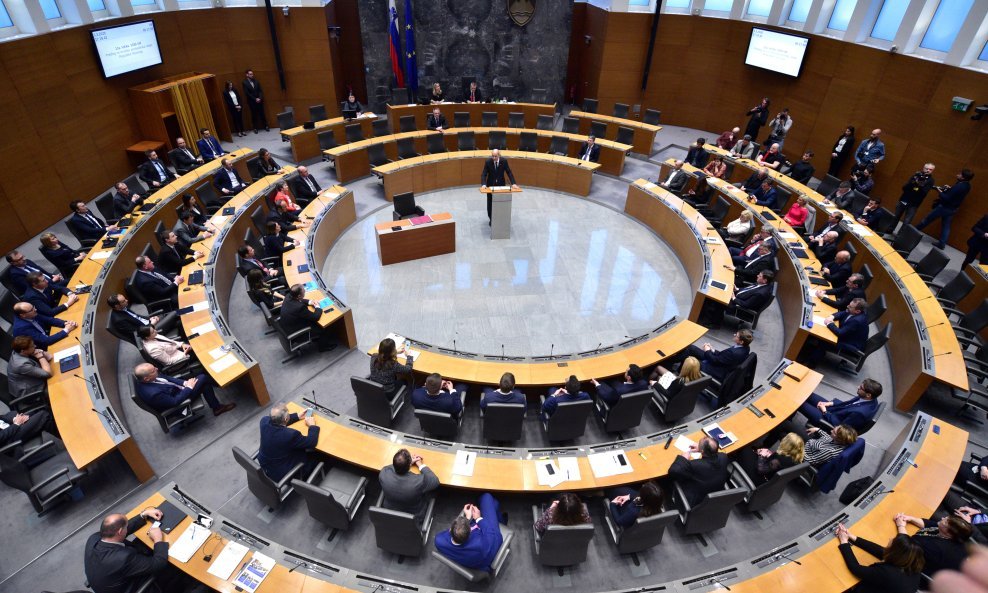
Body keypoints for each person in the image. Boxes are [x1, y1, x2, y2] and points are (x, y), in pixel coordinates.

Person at [84, 507, 174, 593]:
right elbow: (158, 563)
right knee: (172, 567)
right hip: (131, 586)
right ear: (120, 531)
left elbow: (117, 531)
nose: (127, 528)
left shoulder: (94, 538)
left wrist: (143, 515)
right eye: (126, 527)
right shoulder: (123, 558)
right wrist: (158, 539)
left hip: (110, 579)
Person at [835, 524, 924, 593]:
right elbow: (881, 551)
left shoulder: (887, 573)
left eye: (893, 540)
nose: (890, 539)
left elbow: (856, 568)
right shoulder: (911, 562)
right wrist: (852, 537)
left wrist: (844, 542)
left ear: (895, 552)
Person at [434, 493, 505, 571]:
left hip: (470, 560)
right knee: (486, 497)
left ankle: (500, 516)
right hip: (490, 550)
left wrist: (467, 518)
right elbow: (491, 534)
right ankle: (502, 520)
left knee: (495, 504)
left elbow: (447, 535)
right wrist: (478, 518)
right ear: (470, 531)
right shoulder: (480, 546)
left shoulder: (439, 541)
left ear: (450, 530)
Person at [133, 363, 235, 417]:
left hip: (178, 390)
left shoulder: (150, 376)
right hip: (179, 404)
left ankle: (217, 408)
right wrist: (189, 387)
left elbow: (168, 378)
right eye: (153, 370)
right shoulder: (153, 394)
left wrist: (185, 383)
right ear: (146, 379)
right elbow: (174, 402)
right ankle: (223, 383)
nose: (157, 369)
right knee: (203, 377)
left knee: (205, 384)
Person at [894, 513, 972, 575]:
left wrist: (901, 526)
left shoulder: (936, 548)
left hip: (912, 566)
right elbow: (930, 524)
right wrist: (909, 518)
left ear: (949, 533)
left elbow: (907, 546)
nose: (942, 518)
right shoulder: (949, 534)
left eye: (945, 522)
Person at [257, 403, 319, 481]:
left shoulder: (264, 421)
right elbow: (311, 442)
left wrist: (297, 416)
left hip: (266, 466)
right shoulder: (290, 435)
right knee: (318, 454)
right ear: (286, 419)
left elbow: (275, 421)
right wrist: (312, 426)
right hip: (283, 474)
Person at [916, 169, 975, 249]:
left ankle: (912, 231)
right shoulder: (967, 185)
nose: (957, 175)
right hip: (952, 209)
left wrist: (939, 191)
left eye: (960, 174)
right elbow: (956, 194)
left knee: (926, 220)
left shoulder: (959, 186)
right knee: (946, 227)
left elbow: (946, 198)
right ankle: (942, 244)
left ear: (963, 177)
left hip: (944, 208)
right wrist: (950, 188)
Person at [379, 448, 440, 525]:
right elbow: (435, 481)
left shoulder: (384, 473)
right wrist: (420, 464)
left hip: (389, 513)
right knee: (432, 493)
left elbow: (392, 466)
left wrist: (404, 462)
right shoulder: (418, 481)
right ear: (409, 466)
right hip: (413, 517)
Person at [805, 298, 869, 367]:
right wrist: (832, 317)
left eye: (850, 306)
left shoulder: (856, 321)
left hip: (850, 346)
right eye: (849, 305)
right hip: (847, 337)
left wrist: (829, 323)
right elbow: (842, 313)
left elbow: (840, 333)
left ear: (857, 311)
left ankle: (811, 364)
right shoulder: (854, 312)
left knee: (824, 341)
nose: (847, 306)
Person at [799, 378, 882, 431]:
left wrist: (824, 411)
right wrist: (830, 403)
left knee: (799, 403)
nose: (858, 387)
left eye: (861, 388)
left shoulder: (860, 414)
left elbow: (840, 426)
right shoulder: (870, 399)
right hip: (837, 411)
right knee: (808, 394)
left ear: (868, 395)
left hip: (829, 420)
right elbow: (848, 404)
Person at [668, 436, 730, 506]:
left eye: (699, 444)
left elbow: (674, 471)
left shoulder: (694, 465)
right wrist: (701, 449)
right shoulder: (724, 456)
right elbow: (716, 454)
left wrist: (683, 458)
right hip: (716, 494)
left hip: (697, 500)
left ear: (702, 451)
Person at [279, 284, 337, 351]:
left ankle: (318, 339)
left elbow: (300, 300)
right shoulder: (299, 307)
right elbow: (315, 317)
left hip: (288, 326)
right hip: (297, 332)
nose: (305, 292)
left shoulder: (289, 296)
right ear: (299, 296)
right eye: (304, 291)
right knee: (324, 325)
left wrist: (310, 302)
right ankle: (323, 347)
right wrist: (318, 307)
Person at [736, 432, 804, 484]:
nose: (783, 439)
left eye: (785, 439)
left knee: (744, 448)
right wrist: (769, 456)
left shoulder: (779, 458)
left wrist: (762, 456)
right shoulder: (795, 459)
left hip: (759, 478)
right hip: (770, 480)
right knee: (751, 451)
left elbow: (760, 470)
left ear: (787, 444)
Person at [107, 293, 180, 337]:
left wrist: (150, 318)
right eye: (123, 301)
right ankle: (187, 310)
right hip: (149, 331)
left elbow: (137, 317)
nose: (127, 300)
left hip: (148, 323)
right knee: (174, 313)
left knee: (175, 319)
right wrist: (151, 324)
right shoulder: (119, 320)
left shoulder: (122, 308)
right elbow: (137, 333)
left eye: (125, 299)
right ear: (117, 306)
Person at [11, 302, 76, 350]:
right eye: (31, 310)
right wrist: (66, 330)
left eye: (33, 307)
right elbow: (46, 341)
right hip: (42, 348)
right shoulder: (22, 328)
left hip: (46, 337)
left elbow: (48, 320)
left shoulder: (30, 314)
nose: (35, 309)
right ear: (23, 315)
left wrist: (65, 323)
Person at [480, 149, 518, 225]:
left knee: (500, 202)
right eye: (492, 156)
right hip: (491, 186)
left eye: (495, 156)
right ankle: (491, 219)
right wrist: (483, 184)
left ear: (499, 155)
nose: (494, 158)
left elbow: (509, 172)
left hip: (501, 186)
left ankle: (500, 218)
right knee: (490, 204)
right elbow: (484, 174)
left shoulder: (504, 161)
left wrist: (513, 183)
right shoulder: (488, 162)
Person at [894, 163, 936, 229]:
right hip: (904, 199)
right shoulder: (916, 175)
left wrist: (919, 186)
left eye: (930, 169)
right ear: (923, 168)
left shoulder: (931, 180)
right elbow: (904, 188)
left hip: (913, 204)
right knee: (895, 217)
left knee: (906, 222)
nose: (928, 170)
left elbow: (923, 194)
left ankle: (900, 235)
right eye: (926, 168)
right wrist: (914, 183)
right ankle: (888, 231)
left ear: (932, 170)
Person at [242, 68, 268, 133]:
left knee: (262, 114)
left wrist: (260, 98)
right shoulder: (244, 83)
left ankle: (266, 126)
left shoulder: (256, 81)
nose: (252, 75)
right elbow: (247, 93)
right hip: (252, 102)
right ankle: (255, 128)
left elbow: (260, 91)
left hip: (259, 101)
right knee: (254, 115)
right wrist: (255, 99)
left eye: (252, 74)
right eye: (250, 74)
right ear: (247, 75)